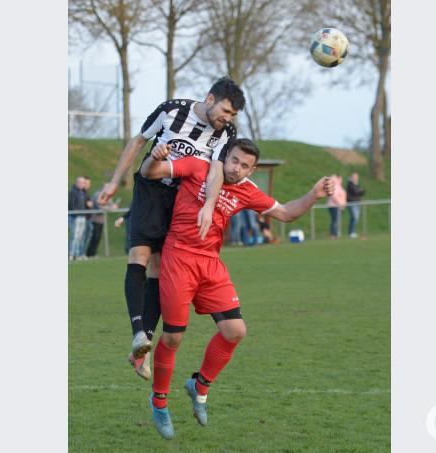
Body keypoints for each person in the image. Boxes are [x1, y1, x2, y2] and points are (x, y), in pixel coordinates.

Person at [139, 138, 334, 439]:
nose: (236, 168)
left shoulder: (247, 190)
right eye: (234, 160)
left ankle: (199, 386)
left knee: (235, 331)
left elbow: (286, 213)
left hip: (211, 264)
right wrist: (155, 156)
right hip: (179, 258)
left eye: (245, 165)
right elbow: (152, 172)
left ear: (252, 170)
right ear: (224, 156)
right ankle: (159, 402)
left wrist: (314, 194)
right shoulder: (198, 167)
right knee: (174, 336)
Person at [97, 77, 245, 380]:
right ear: (209, 98)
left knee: (160, 268)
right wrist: (114, 181)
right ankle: (138, 332)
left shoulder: (225, 133)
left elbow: (216, 169)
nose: (227, 119)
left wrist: (207, 205)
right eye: (226, 111)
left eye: (232, 115)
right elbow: (138, 141)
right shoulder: (171, 110)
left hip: (182, 201)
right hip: (150, 187)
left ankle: (142, 349)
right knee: (139, 255)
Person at [68, 176, 88, 260]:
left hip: (82, 217)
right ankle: (71, 254)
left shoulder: (83, 192)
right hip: (76, 217)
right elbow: (72, 205)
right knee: (75, 236)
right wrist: (78, 213)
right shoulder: (73, 192)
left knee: (80, 236)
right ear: (76, 182)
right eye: (80, 182)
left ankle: (78, 254)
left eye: (83, 182)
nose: (82, 184)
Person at [345, 172, 365, 238]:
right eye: (355, 177)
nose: (356, 178)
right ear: (351, 177)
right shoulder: (350, 184)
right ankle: (351, 232)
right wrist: (359, 190)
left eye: (357, 177)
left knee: (356, 218)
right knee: (354, 217)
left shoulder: (356, 184)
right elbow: (355, 192)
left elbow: (362, 192)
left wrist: (359, 190)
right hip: (351, 203)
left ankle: (352, 232)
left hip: (357, 203)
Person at [327, 174, 347, 239]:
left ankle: (335, 233)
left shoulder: (339, 186)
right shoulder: (335, 186)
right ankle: (333, 234)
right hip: (334, 206)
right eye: (341, 179)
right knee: (335, 220)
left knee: (336, 220)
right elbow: (334, 196)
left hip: (339, 206)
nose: (342, 180)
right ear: (338, 179)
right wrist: (340, 203)